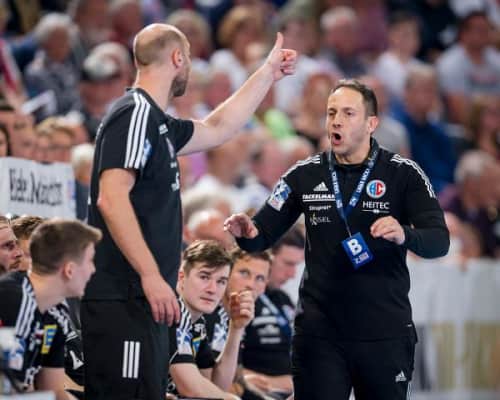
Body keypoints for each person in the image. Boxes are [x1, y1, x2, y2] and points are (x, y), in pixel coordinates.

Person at [81, 22, 296, 400]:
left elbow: (218, 126)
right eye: (191, 59)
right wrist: (150, 275)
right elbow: (110, 198)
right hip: (125, 294)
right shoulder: (135, 113)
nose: (191, 68)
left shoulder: (158, 124)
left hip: (143, 299)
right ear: (177, 58)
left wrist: (266, 74)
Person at [224, 79, 450, 400]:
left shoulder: (403, 173)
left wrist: (405, 234)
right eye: (331, 113)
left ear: (371, 123)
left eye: (348, 113)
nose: (336, 121)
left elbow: (439, 241)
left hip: (384, 333)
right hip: (320, 334)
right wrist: (246, 233)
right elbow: (261, 234)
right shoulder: (303, 175)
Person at [0, 219, 101, 400]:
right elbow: (9, 392)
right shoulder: (13, 300)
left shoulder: (57, 311)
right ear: (69, 270)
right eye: (90, 261)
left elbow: (53, 391)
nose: (94, 270)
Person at [167, 240, 253, 400]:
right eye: (204, 277)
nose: (213, 289)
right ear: (182, 277)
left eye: (221, 281)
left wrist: (236, 328)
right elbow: (190, 388)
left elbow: (215, 385)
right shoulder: (175, 310)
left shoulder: (198, 323)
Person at [240, 227, 305, 398]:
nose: (292, 275)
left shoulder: (283, 299)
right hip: (260, 392)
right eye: (288, 264)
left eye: (296, 266)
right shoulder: (242, 297)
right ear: (267, 256)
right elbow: (213, 361)